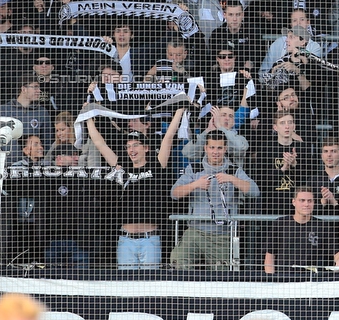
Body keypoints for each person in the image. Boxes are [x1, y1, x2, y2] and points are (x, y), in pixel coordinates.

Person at [87, 107, 185, 269]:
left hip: (150, 240)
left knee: (151, 288)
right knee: (126, 288)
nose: (131, 150)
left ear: (146, 148)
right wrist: (88, 115)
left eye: (135, 145)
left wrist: (180, 110)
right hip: (126, 240)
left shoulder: (156, 165)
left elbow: (168, 138)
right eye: (128, 146)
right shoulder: (122, 166)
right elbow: (100, 143)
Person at [170, 131, 260, 269]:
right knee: (178, 261)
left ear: (225, 149)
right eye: (212, 147)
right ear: (205, 148)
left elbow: (255, 191)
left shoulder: (234, 170)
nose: (215, 152)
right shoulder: (194, 168)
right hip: (195, 231)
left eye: (219, 148)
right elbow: (174, 193)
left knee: (221, 276)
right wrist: (195, 185)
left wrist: (232, 179)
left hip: (222, 235)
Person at [262, 189, 339, 273]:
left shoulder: (322, 226)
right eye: (302, 200)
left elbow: (338, 252)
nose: (306, 204)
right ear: (294, 202)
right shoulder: (279, 224)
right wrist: (271, 280)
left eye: (309, 201)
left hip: (313, 281)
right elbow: (270, 256)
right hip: (284, 281)